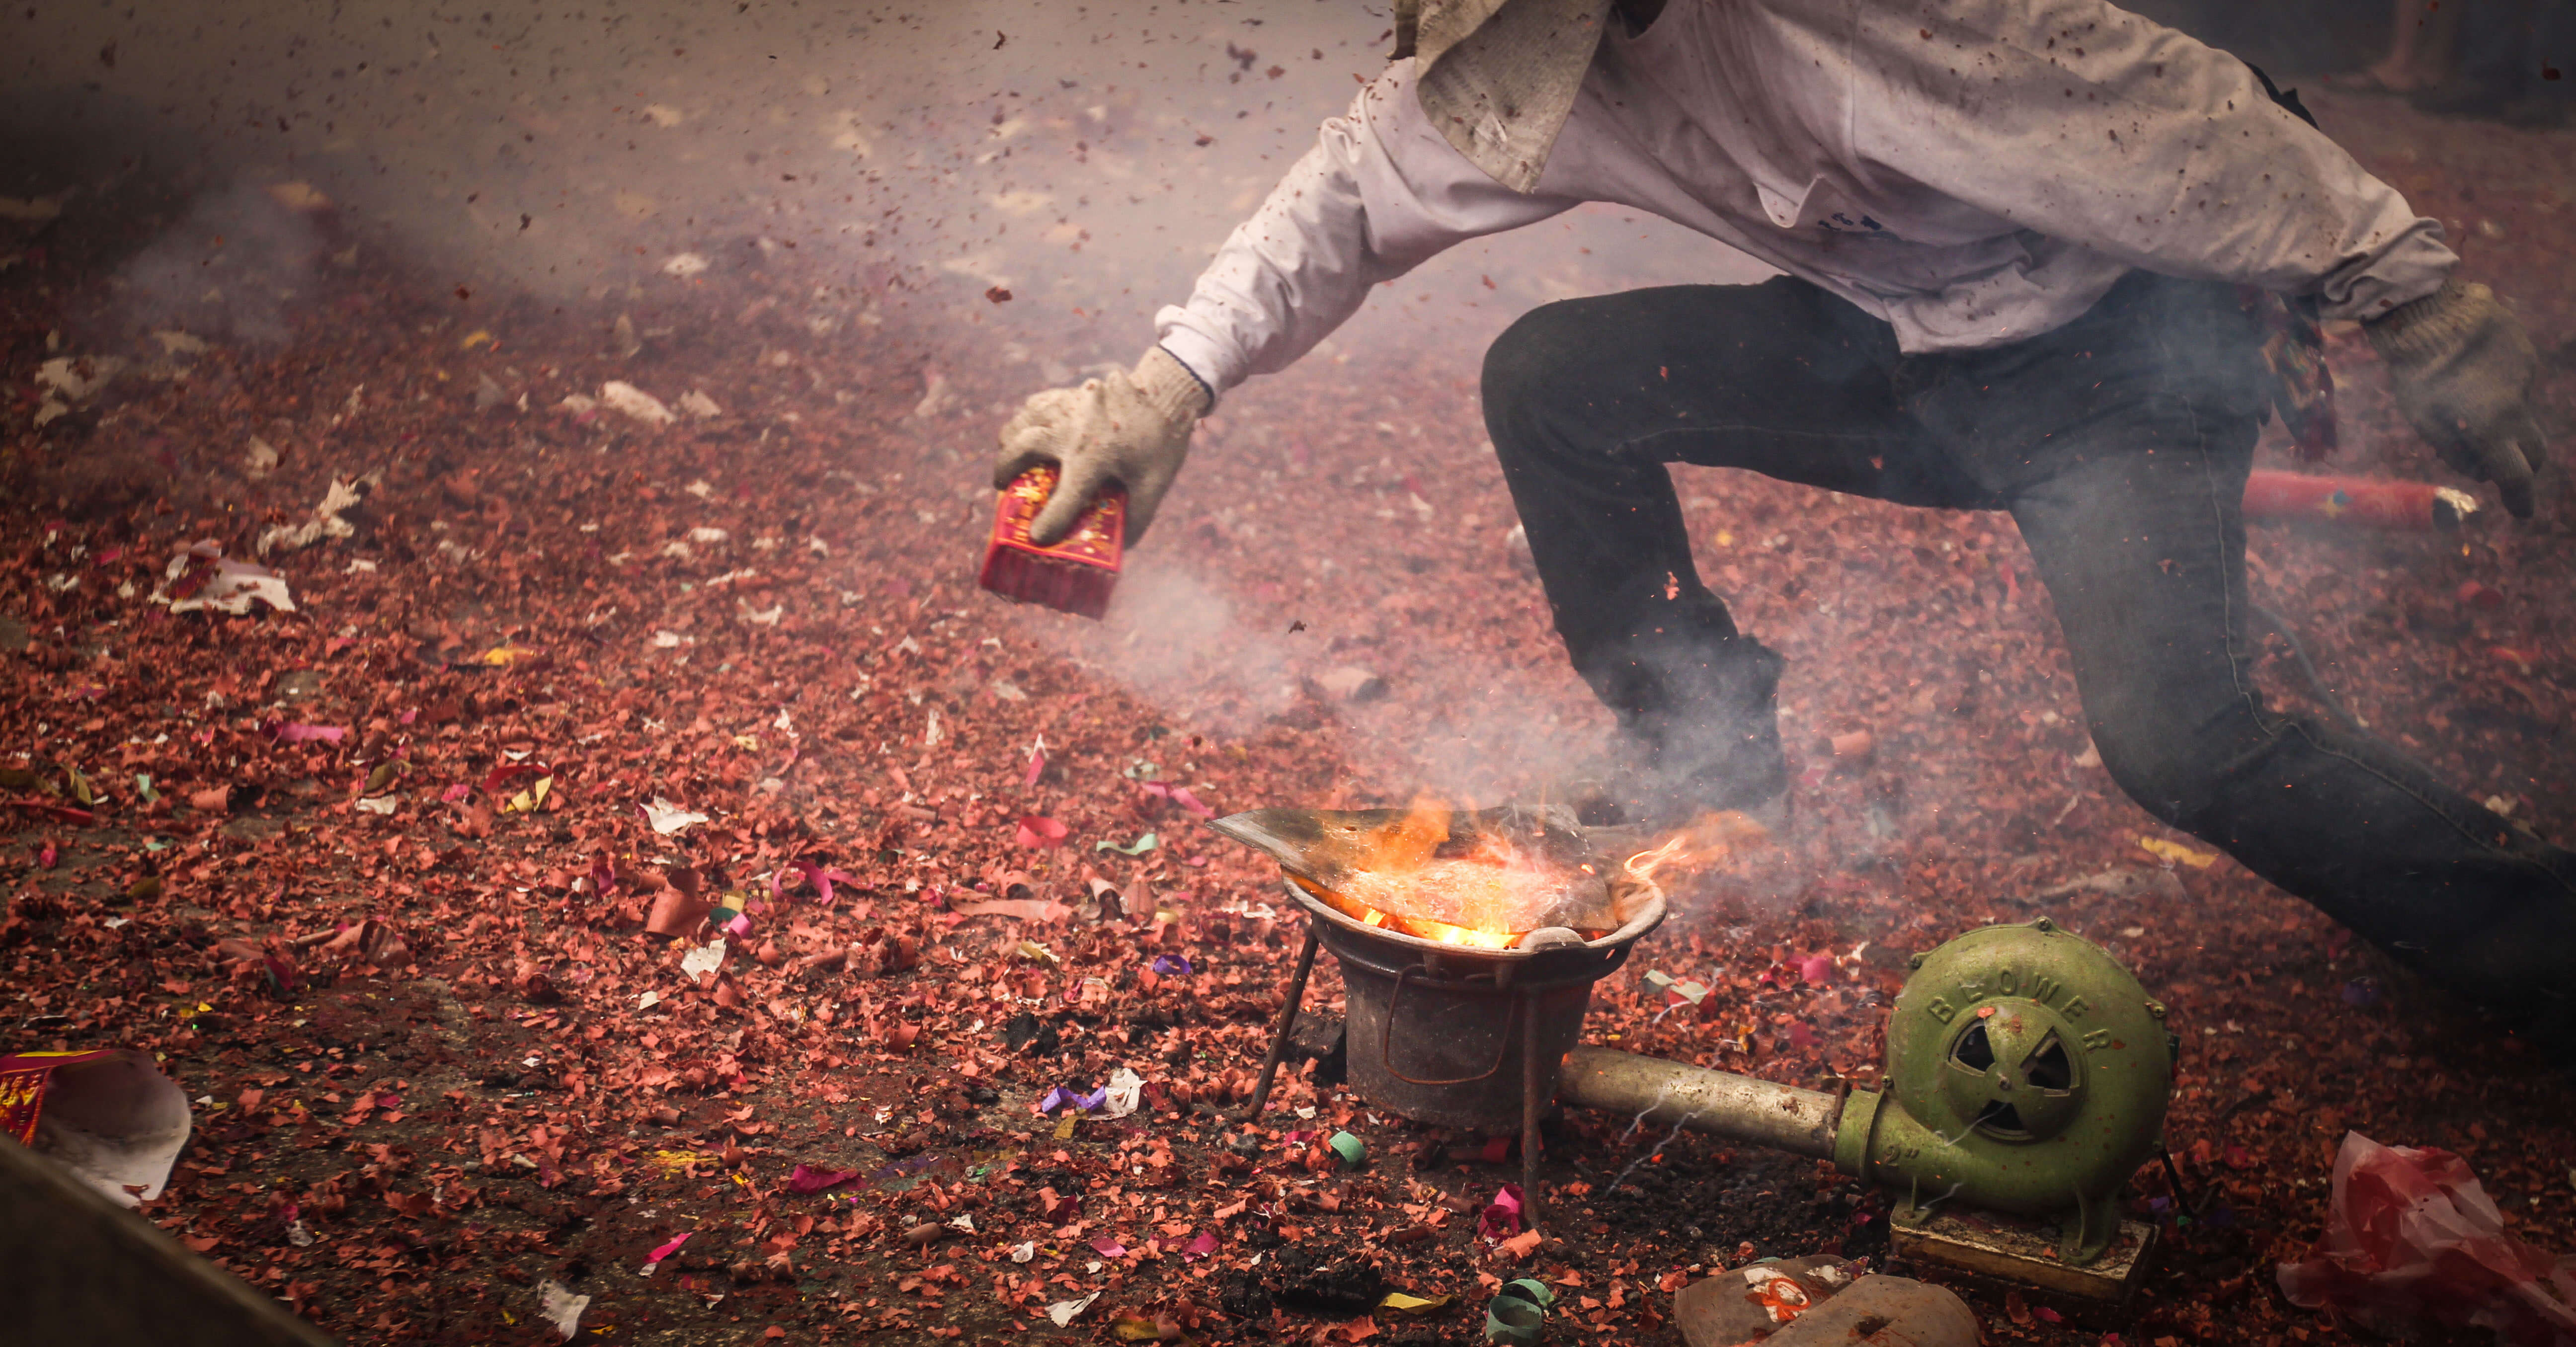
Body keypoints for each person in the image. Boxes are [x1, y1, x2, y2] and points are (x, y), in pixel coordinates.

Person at [991, 0, 2567, 1033]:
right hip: (1887, 356)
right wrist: (1163, 391)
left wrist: (2411, 295)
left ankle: (2536, 941)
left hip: (2120, 371)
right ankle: (1711, 760)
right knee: (1556, 377)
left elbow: (2181, 110)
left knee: (2179, 739)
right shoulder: (1524, 56)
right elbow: (1343, 195)